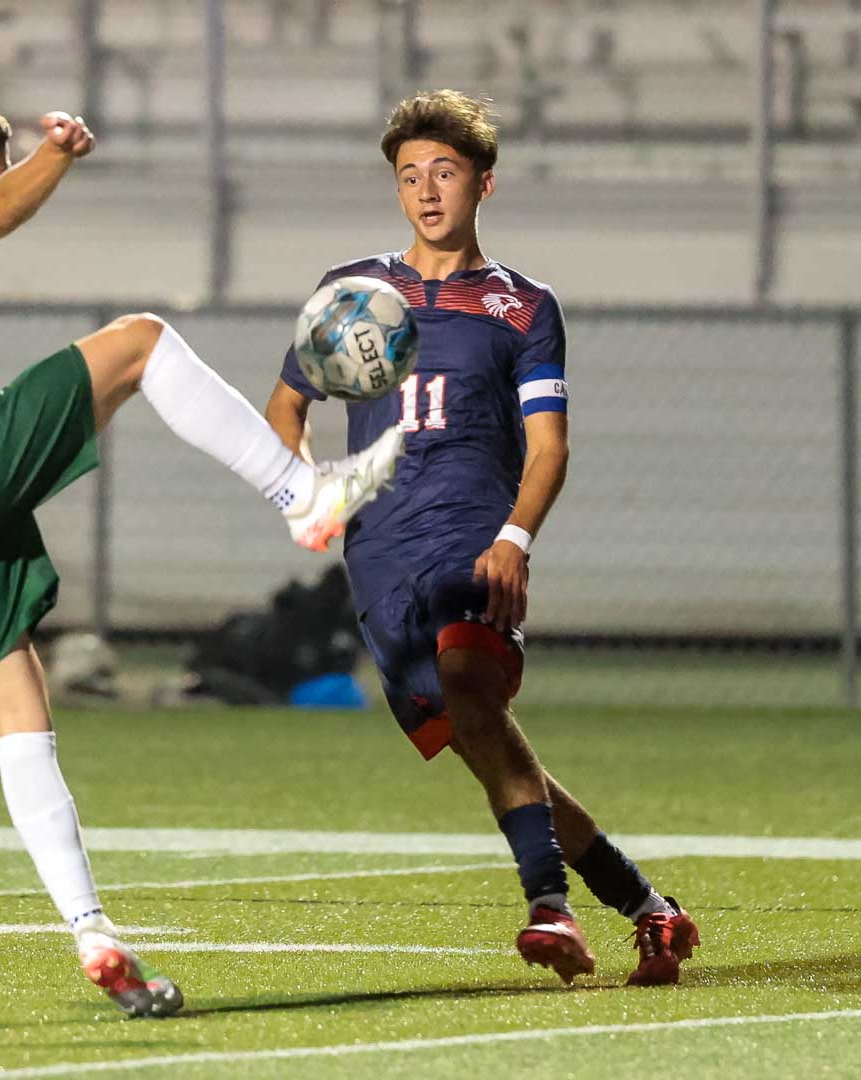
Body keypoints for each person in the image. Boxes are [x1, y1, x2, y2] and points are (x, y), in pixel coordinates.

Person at [0, 91, 405, 1017]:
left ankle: (92, 930)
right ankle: (303, 497)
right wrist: (54, 154)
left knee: (20, 715)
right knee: (141, 341)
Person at [263, 90, 700, 986]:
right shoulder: (353, 293)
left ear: (484, 183)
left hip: (473, 543)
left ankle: (549, 908)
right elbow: (285, 409)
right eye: (409, 175)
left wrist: (514, 539)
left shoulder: (524, 307)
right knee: (484, 739)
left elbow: (550, 447)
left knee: (471, 690)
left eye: (445, 172)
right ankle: (650, 909)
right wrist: (304, 488)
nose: (426, 192)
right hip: (379, 555)